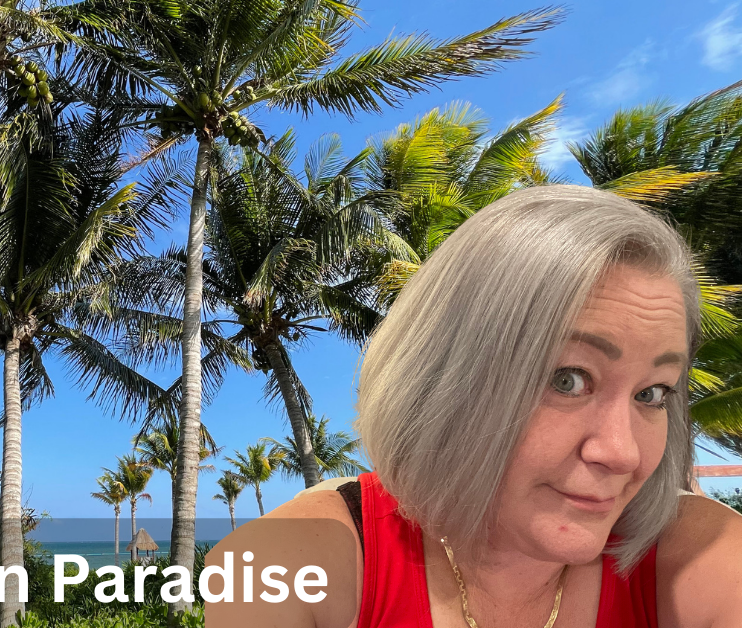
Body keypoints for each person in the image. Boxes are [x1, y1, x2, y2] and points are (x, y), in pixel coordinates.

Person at [205, 185, 742, 627]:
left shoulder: (700, 558)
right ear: (448, 379)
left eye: (652, 394)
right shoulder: (286, 563)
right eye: (568, 380)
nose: (622, 453)